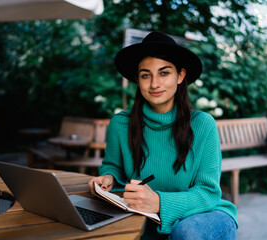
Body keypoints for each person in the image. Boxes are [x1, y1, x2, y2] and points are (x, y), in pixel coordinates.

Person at [88, 32, 237, 239]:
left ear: (180, 76)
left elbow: (208, 193)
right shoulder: (120, 124)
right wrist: (108, 177)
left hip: (202, 215)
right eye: (145, 75)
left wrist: (159, 202)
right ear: (138, 80)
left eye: (164, 73)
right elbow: (113, 166)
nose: (154, 84)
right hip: (143, 214)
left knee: (186, 233)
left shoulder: (203, 125)